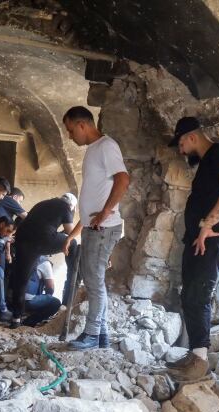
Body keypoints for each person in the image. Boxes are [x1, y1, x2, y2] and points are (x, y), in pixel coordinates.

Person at [165, 116, 219, 380]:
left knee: (197, 296)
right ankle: (194, 355)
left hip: (213, 239)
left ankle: (199, 364)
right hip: (199, 239)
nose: (181, 150)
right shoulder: (208, 162)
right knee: (189, 296)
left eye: (181, 144)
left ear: (192, 137)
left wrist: (207, 225)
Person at [61, 106, 130, 350]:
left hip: (104, 227)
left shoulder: (106, 146)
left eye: (70, 131)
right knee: (92, 280)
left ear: (82, 125)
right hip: (94, 226)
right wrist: (79, 229)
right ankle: (101, 337)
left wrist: (105, 211)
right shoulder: (94, 149)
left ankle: (91, 335)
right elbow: (93, 196)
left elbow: (123, 179)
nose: (70, 136)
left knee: (94, 281)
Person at [9, 193, 79, 329]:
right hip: (43, 240)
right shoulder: (66, 207)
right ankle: (72, 276)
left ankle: (16, 318)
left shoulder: (43, 203)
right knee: (73, 242)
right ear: (72, 206)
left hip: (23, 240)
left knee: (22, 280)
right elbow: (70, 232)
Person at [23, 256, 61, 326]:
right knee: (55, 303)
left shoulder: (24, 254)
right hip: (26, 301)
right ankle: (30, 321)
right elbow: (51, 288)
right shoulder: (44, 262)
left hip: (12, 298)